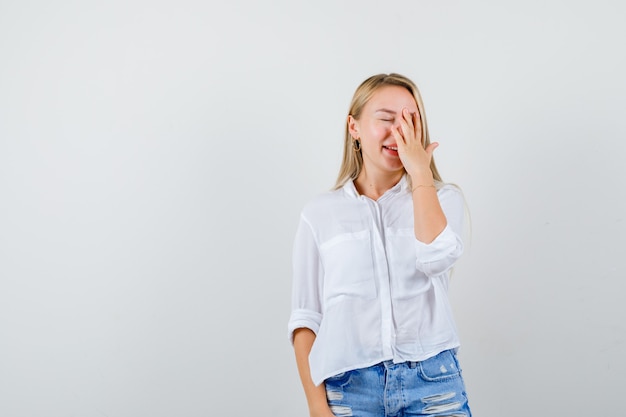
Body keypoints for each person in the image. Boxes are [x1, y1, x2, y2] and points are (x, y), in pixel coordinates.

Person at [288, 73, 472, 417]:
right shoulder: (319, 214)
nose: (398, 132)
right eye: (386, 119)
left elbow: (436, 257)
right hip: (349, 391)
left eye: (409, 121)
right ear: (354, 127)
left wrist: (420, 174)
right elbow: (306, 318)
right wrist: (316, 406)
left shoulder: (444, 198)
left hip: (433, 384)